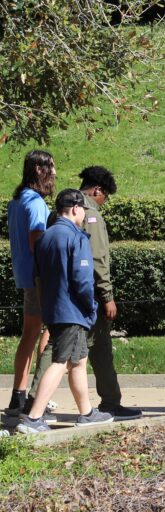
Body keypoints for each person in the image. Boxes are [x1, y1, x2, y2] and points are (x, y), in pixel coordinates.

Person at [27, 167, 143, 420]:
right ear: (97, 190)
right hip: (82, 297)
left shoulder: (57, 214)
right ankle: (38, 408)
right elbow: (98, 259)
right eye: (105, 197)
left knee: (80, 354)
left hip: (57, 295)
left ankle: (88, 407)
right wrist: (107, 296)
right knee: (74, 352)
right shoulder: (89, 214)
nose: (103, 202)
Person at [18, 189, 113, 433]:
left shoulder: (45, 238)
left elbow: (37, 277)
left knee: (78, 361)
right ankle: (33, 418)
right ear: (75, 208)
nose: (84, 215)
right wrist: (91, 306)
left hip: (53, 308)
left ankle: (86, 413)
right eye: (83, 210)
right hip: (73, 311)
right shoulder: (77, 237)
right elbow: (82, 280)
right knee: (60, 362)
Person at [3, 150, 56, 425]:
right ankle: (36, 397)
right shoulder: (35, 202)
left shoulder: (17, 200)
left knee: (30, 334)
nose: (54, 173)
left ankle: (19, 396)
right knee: (50, 332)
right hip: (40, 277)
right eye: (51, 167)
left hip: (25, 274)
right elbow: (37, 240)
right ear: (38, 169)